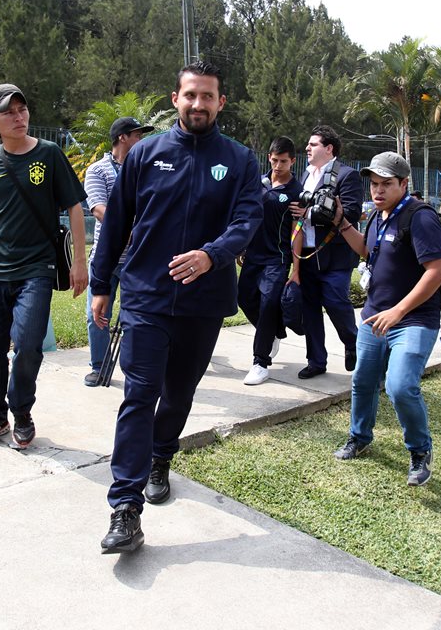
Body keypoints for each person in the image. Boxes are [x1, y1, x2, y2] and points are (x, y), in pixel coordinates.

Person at [92, 60, 261, 554]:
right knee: (139, 395)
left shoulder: (240, 159)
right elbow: (117, 222)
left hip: (203, 304)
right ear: (176, 99)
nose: (199, 104)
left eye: (208, 96)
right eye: (191, 95)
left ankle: (161, 457)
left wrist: (213, 255)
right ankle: (125, 508)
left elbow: (247, 219)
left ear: (220, 102)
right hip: (146, 295)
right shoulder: (145, 153)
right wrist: (102, 283)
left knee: (180, 393)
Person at [0, 84, 87, 451]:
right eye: (9, 113)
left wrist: (80, 262)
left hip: (37, 268)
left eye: (22, 109)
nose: (19, 117)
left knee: (30, 345)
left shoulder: (49, 155)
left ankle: (22, 411)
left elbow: (75, 208)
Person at [329, 152, 441, 486]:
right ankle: (360, 436)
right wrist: (342, 223)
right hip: (373, 316)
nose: (377, 191)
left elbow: (437, 272)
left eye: (386, 184)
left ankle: (420, 452)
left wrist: (399, 311)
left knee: (400, 386)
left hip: (413, 320)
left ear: (404, 184)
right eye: (374, 184)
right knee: (363, 382)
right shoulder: (379, 216)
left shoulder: (420, 217)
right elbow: (370, 251)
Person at [82, 116, 152, 386]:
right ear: (123, 137)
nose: (141, 140)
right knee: (96, 314)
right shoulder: (98, 171)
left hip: (138, 257)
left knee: (138, 316)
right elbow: (99, 209)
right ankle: (99, 366)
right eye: (137, 135)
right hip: (106, 256)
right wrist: (132, 231)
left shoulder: (146, 169)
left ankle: (136, 368)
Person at [289, 125, 363, 379]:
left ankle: (353, 342)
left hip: (336, 257)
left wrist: (309, 213)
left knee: (335, 301)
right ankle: (316, 360)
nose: (307, 148)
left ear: (329, 148)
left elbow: (351, 213)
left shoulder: (347, 176)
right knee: (310, 310)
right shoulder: (305, 176)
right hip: (308, 254)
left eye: (313, 144)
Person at [238, 136, 296, 386]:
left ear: (292, 161)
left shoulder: (296, 191)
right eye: (274, 160)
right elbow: (247, 215)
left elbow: (298, 230)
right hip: (252, 255)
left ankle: (260, 362)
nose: (278, 166)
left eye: (283, 161)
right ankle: (274, 331)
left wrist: (297, 268)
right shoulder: (258, 183)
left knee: (268, 304)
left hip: (278, 258)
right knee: (244, 298)